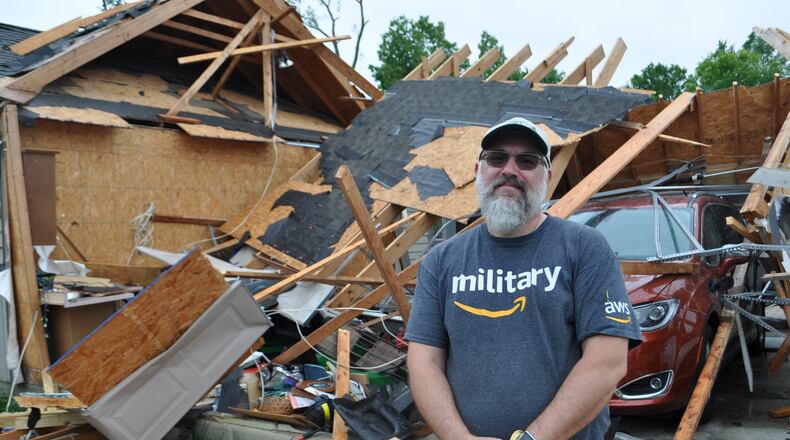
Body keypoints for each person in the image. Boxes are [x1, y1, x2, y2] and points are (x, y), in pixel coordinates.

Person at [405, 117, 642, 440]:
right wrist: (457, 437)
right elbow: (423, 363)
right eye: (497, 158)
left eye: (527, 161)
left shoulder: (584, 248)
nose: (509, 170)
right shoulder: (440, 261)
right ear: (478, 170)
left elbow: (607, 362)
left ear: (548, 176)